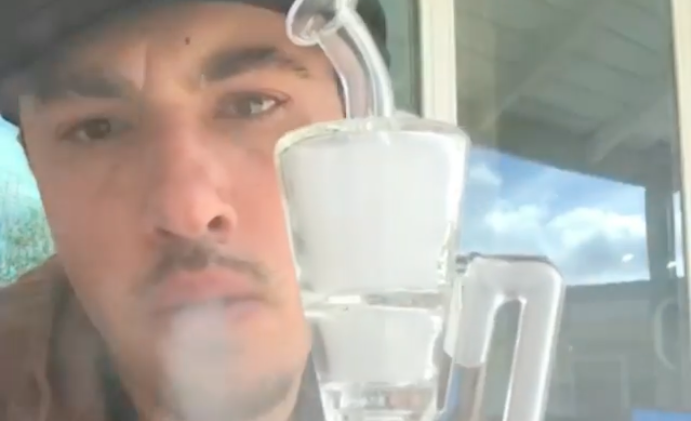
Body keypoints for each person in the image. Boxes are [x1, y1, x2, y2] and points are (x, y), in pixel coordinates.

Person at [0, 1, 389, 420]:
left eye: (253, 105)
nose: (187, 213)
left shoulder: (437, 355)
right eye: (97, 129)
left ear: (359, 140)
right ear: (36, 167)